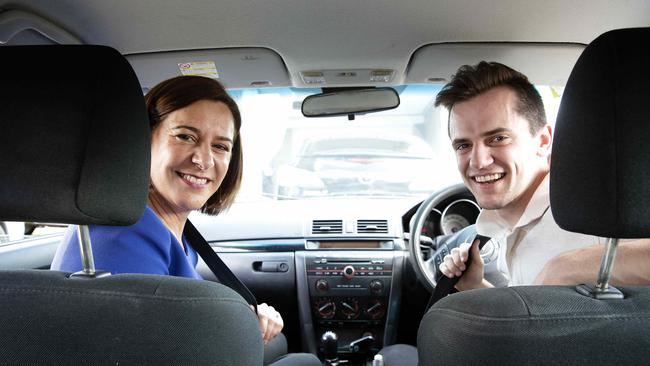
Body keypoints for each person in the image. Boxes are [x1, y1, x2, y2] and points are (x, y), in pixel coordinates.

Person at [51, 75, 320, 366]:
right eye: (185, 136)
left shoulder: (155, 226)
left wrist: (243, 320)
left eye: (220, 146)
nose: (203, 160)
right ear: (142, 141)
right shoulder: (120, 236)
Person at [436, 61, 650, 290]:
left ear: (543, 141)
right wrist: (475, 285)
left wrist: (569, 267)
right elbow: (536, 321)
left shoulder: (596, 209)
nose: (478, 161)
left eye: (498, 138)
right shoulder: (504, 227)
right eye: (463, 145)